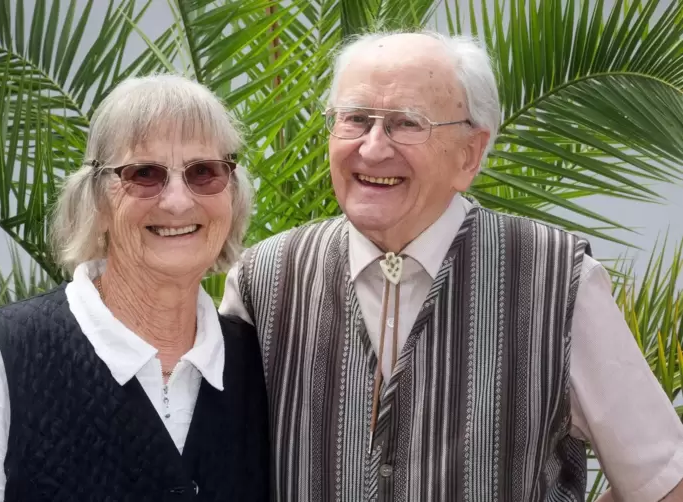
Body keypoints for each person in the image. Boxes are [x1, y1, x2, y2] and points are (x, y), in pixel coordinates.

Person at [220, 31, 683, 501]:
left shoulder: (557, 281)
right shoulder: (264, 280)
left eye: (406, 123)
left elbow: (664, 481)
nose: (374, 148)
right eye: (356, 119)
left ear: (470, 154)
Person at [0, 74, 268, 501]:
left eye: (204, 172)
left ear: (233, 195)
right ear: (97, 200)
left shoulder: (260, 366)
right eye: (144, 173)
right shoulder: (7, 353)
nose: (179, 201)